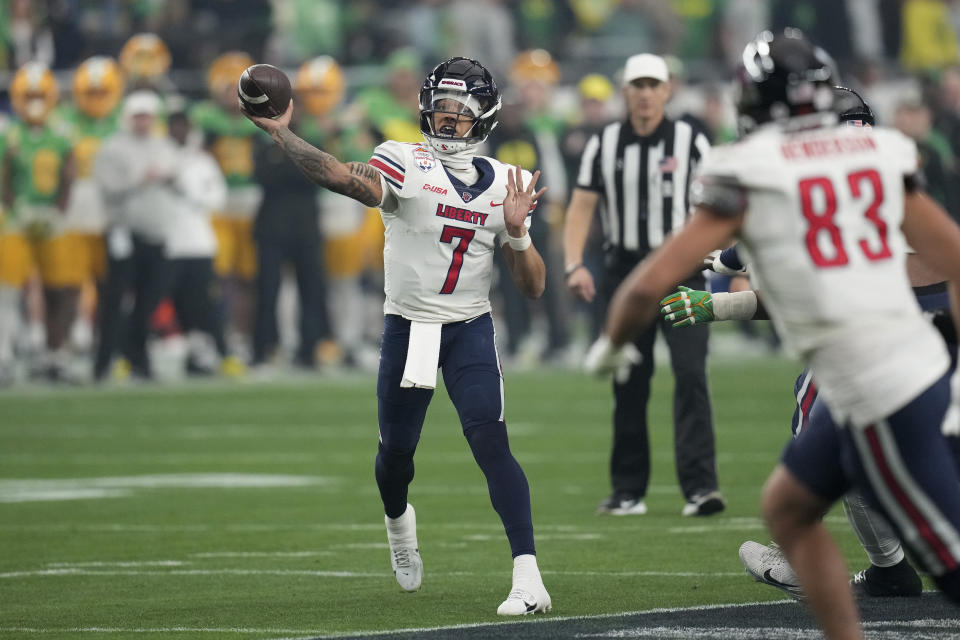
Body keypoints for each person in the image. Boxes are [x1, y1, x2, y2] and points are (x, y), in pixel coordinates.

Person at [586, 29, 960, 640]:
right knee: (788, 506)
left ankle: (894, 570)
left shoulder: (752, 168)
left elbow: (646, 288)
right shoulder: (879, 159)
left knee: (949, 559)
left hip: (883, 387)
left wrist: (611, 345)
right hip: (871, 372)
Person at [242, 56, 552, 615]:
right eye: (440, 109)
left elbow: (532, 289)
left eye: (460, 112)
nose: (447, 120)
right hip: (410, 326)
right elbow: (337, 175)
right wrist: (283, 133)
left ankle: (529, 577)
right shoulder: (404, 161)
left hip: (470, 327)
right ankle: (398, 521)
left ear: (484, 117)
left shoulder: (511, 183)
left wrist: (518, 234)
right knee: (396, 457)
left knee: (490, 440)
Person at [562, 52, 723, 517]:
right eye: (638, 85)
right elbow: (581, 206)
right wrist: (575, 263)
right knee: (629, 380)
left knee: (691, 374)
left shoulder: (693, 139)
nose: (647, 93)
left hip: (683, 272)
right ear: (625, 91)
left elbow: (719, 203)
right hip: (626, 274)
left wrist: (724, 258)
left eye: (654, 84)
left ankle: (701, 488)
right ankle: (628, 491)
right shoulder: (605, 142)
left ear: (668, 89)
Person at [93, 90, 179, 381]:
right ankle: (103, 362)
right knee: (115, 300)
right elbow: (108, 188)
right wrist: (142, 179)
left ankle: (138, 357)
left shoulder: (163, 145)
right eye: (138, 116)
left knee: (149, 300)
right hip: (124, 232)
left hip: (157, 232)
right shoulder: (114, 148)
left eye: (147, 117)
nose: (143, 122)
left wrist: (165, 178)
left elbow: (176, 177)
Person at [0, 62, 74, 384]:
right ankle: (4, 355)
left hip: (51, 220)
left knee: (58, 288)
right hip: (17, 219)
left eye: (39, 94)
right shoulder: (8, 131)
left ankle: (54, 355)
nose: (33, 100)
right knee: (7, 291)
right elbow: (3, 177)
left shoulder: (61, 131)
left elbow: (68, 176)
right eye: (28, 94)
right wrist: (17, 209)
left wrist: (57, 211)